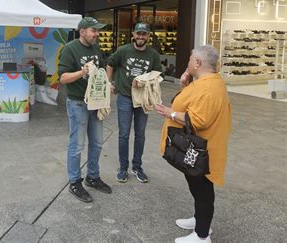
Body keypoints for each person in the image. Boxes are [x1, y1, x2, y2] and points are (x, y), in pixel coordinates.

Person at [155, 45, 232, 243]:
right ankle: (199, 220)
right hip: (198, 148)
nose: (188, 62)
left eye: (190, 59)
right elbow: (190, 102)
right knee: (197, 187)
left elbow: (198, 120)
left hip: (203, 151)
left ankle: (202, 235)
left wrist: (169, 112)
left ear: (197, 63)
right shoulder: (204, 82)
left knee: (203, 190)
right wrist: (185, 85)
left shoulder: (210, 87)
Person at [58, 16, 112, 203]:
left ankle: (93, 177)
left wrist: (107, 85)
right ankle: (74, 182)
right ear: (82, 32)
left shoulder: (96, 48)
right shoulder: (70, 49)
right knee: (77, 145)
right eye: (94, 30)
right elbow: (63, 78)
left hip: (96, 103)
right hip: (77, 103)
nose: (97, 34)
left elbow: (102, 70)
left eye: (97, 31)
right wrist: (82, 72)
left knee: (97, 143)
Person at [106, 22, 162, 183]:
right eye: (138, 33)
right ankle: (123, 168)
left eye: (144, 34)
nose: (140, 37)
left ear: (148, 36)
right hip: (125, 97)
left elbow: (158, 75)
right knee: (124, 135)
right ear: (133, 34)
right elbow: (110, 63)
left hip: (143, 99)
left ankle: (137, 167)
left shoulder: (153, 54)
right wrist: (110, 82)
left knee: (140, 135)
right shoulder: (124, 50)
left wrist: (145, 82)